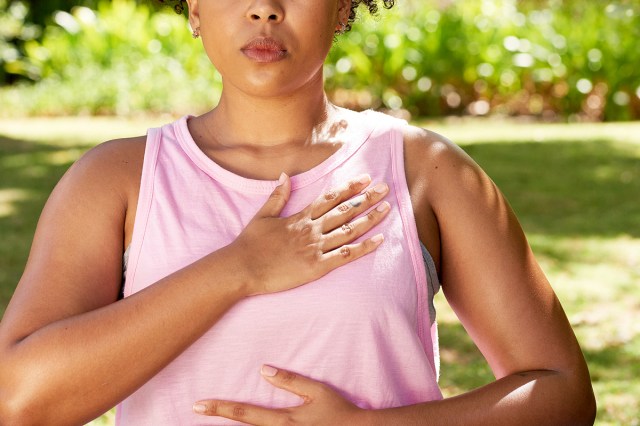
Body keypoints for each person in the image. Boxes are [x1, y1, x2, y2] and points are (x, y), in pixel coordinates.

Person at [0, 0, 596, 424]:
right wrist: (238, 270)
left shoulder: (425, 171)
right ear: (193, 9)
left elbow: (561, 393)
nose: (265, 8)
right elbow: (20, 400)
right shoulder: (116, 180)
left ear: (343, 8)